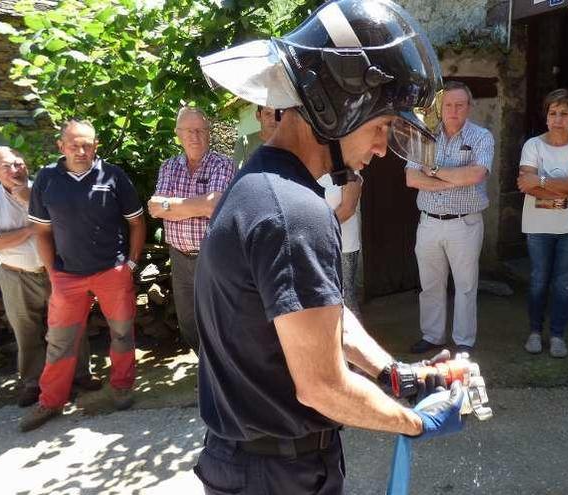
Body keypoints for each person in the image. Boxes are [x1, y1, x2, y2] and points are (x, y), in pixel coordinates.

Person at [195, 1, 464, 492]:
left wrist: (394, 374)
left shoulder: (262, 184)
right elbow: (321, 385)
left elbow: (321, 317)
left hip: (250, 462)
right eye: (381, 126)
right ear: (338, 107)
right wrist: (414, 423)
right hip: (278, 473)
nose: (383, 148)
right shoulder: (295, 212)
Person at [21, 119, 146, 432]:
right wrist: (52, 272)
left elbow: (137, 222)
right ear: (61, 146)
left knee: (121, 333)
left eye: (87, 144)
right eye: (74, 144)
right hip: (68, 276)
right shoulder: (47, 179)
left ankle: (121, 385)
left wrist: (129, 265)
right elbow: (42, 231)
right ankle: (50, 400)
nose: (81, 150)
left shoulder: (113, 176)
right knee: (60, 340)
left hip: (111, 272)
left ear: (96, 146)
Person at [0, 146, 99, 408]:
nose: (14, 170)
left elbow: (69, 223)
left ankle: (80, 374)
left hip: (58, 270)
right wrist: (31, 229)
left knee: (71, 324)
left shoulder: (46, 189)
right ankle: (32, 382)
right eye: (6, 166)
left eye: (18, 164)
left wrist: (26, 203)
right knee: (26, 330)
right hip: (16, 275)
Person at [404, 80, 495, 354]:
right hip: (429, 222)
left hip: (464, 222)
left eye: (459, 105)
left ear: (469, 107)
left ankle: (463, 341)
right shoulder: (424, 135)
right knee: (430, 284)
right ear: (439, 107)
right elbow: (411, 178)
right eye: (448, 105)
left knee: (466, 285)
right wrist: (454, 179)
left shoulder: (481, 137)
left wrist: (431, 170)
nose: (453, 110)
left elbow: (477, 174)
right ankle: (432, 335)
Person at [147, 107, 235, 352]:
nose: (194, 136)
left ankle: (222, 375)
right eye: (188, 131)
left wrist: (172, 205)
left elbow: (214, 205)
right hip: (178, 257)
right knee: (188, 322)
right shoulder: (169, 167)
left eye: (200, 130)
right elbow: (154, 207)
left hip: (212, 255)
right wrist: (198, 204)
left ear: (208, 133)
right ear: (178, 134)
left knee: (218, 319)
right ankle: (205, 368)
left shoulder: (223, 164)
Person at [517, 89, 568, 358]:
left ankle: (558, 335)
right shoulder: (533, 146)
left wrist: (541, 182)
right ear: (546, 116)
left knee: (563, 284)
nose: (558, 119)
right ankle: (535, 332)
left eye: (564, 113)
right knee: (539, 281)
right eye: (553, 113)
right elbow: (525, 186)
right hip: (539, 226)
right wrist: (564, 187)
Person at [317, 171, 363, 319]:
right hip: (315, 244)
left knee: (346, 297)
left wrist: (316, 230)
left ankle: (353, 340)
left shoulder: (349, 171)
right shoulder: (308, 171)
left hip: (344, 245)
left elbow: (347, 209)